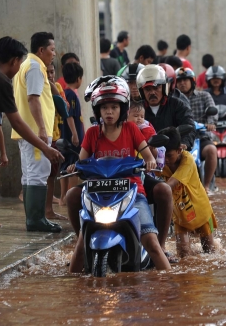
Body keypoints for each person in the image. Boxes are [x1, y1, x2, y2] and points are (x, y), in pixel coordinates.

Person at [0, 36, 62, 275]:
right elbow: (17, 122)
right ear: (14, 60)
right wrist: (45, 146)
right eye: (19, 63)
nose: (19, 69)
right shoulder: (0, 80)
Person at [66, 80, 170, 272]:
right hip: (97, 192)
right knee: (80, 246)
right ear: (98, 111)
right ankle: (73, 293)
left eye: (114, 107)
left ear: (122, 109)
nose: (109, 112)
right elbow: (82, 162)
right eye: (104, 107)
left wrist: (150, 161)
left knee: (152, 243)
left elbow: (147, 155)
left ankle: (170, 288)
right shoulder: (91, 133)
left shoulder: (131, 129)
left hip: (131, 190)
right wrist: (75, 166)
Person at [137, 64, 196, 261]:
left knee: (169, 188)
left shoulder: (178, 104)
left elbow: (189, 128)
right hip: (142, 163)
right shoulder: (135, 109)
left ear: (165, 87)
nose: (152, 92)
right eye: (147, 89)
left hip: (172, 156)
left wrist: (182, 146)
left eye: (156, 87)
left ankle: (163, 244)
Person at [11, 32, 63, 232]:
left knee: (31, 174)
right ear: (41, 50)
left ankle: (35, 218)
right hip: (34, 131)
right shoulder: (34, 67)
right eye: (51, 49)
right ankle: (35, 220)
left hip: (29, 131)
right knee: (38, 174)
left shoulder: (28, 65)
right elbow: (33, 99)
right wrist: (42, 128)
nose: (54, 54)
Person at [157, 127, 217, 258]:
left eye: (169, 155)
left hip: (201, 211)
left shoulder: (187, 160)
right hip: (180, 214)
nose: (165, 159)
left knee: (211, 253)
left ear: (179, 150)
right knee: (183, 254)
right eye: (162, 155)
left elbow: (170, 185)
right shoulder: (161, 161)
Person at [175, 67, 218, 192]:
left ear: (192, 81)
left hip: (201, 137)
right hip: (182, 137)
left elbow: (213, 112)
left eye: (186, 80)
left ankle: (206, 185)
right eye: (179, 81)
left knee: (211, 150)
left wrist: (210, 124)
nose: (182, 83)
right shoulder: (175, 100)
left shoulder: (204, 95)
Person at [59, 63, 84, 206]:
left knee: (64, 166)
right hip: (72, 138)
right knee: (74, 166)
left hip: (64, 137)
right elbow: (70, 116)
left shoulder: (64, 93)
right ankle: (71, 195)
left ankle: (63, 197)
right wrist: (75, 134)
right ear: (78, 78)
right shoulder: (71, 95)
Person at [46, 63, 67, 219]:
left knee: (52, 174)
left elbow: (64, 108)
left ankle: (48, 211)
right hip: (41, 136)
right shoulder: (36, 89)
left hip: (54, 136)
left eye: (52, 72)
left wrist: (52, 86)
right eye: (46, 72)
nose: (49, 75)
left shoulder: (57, 87)